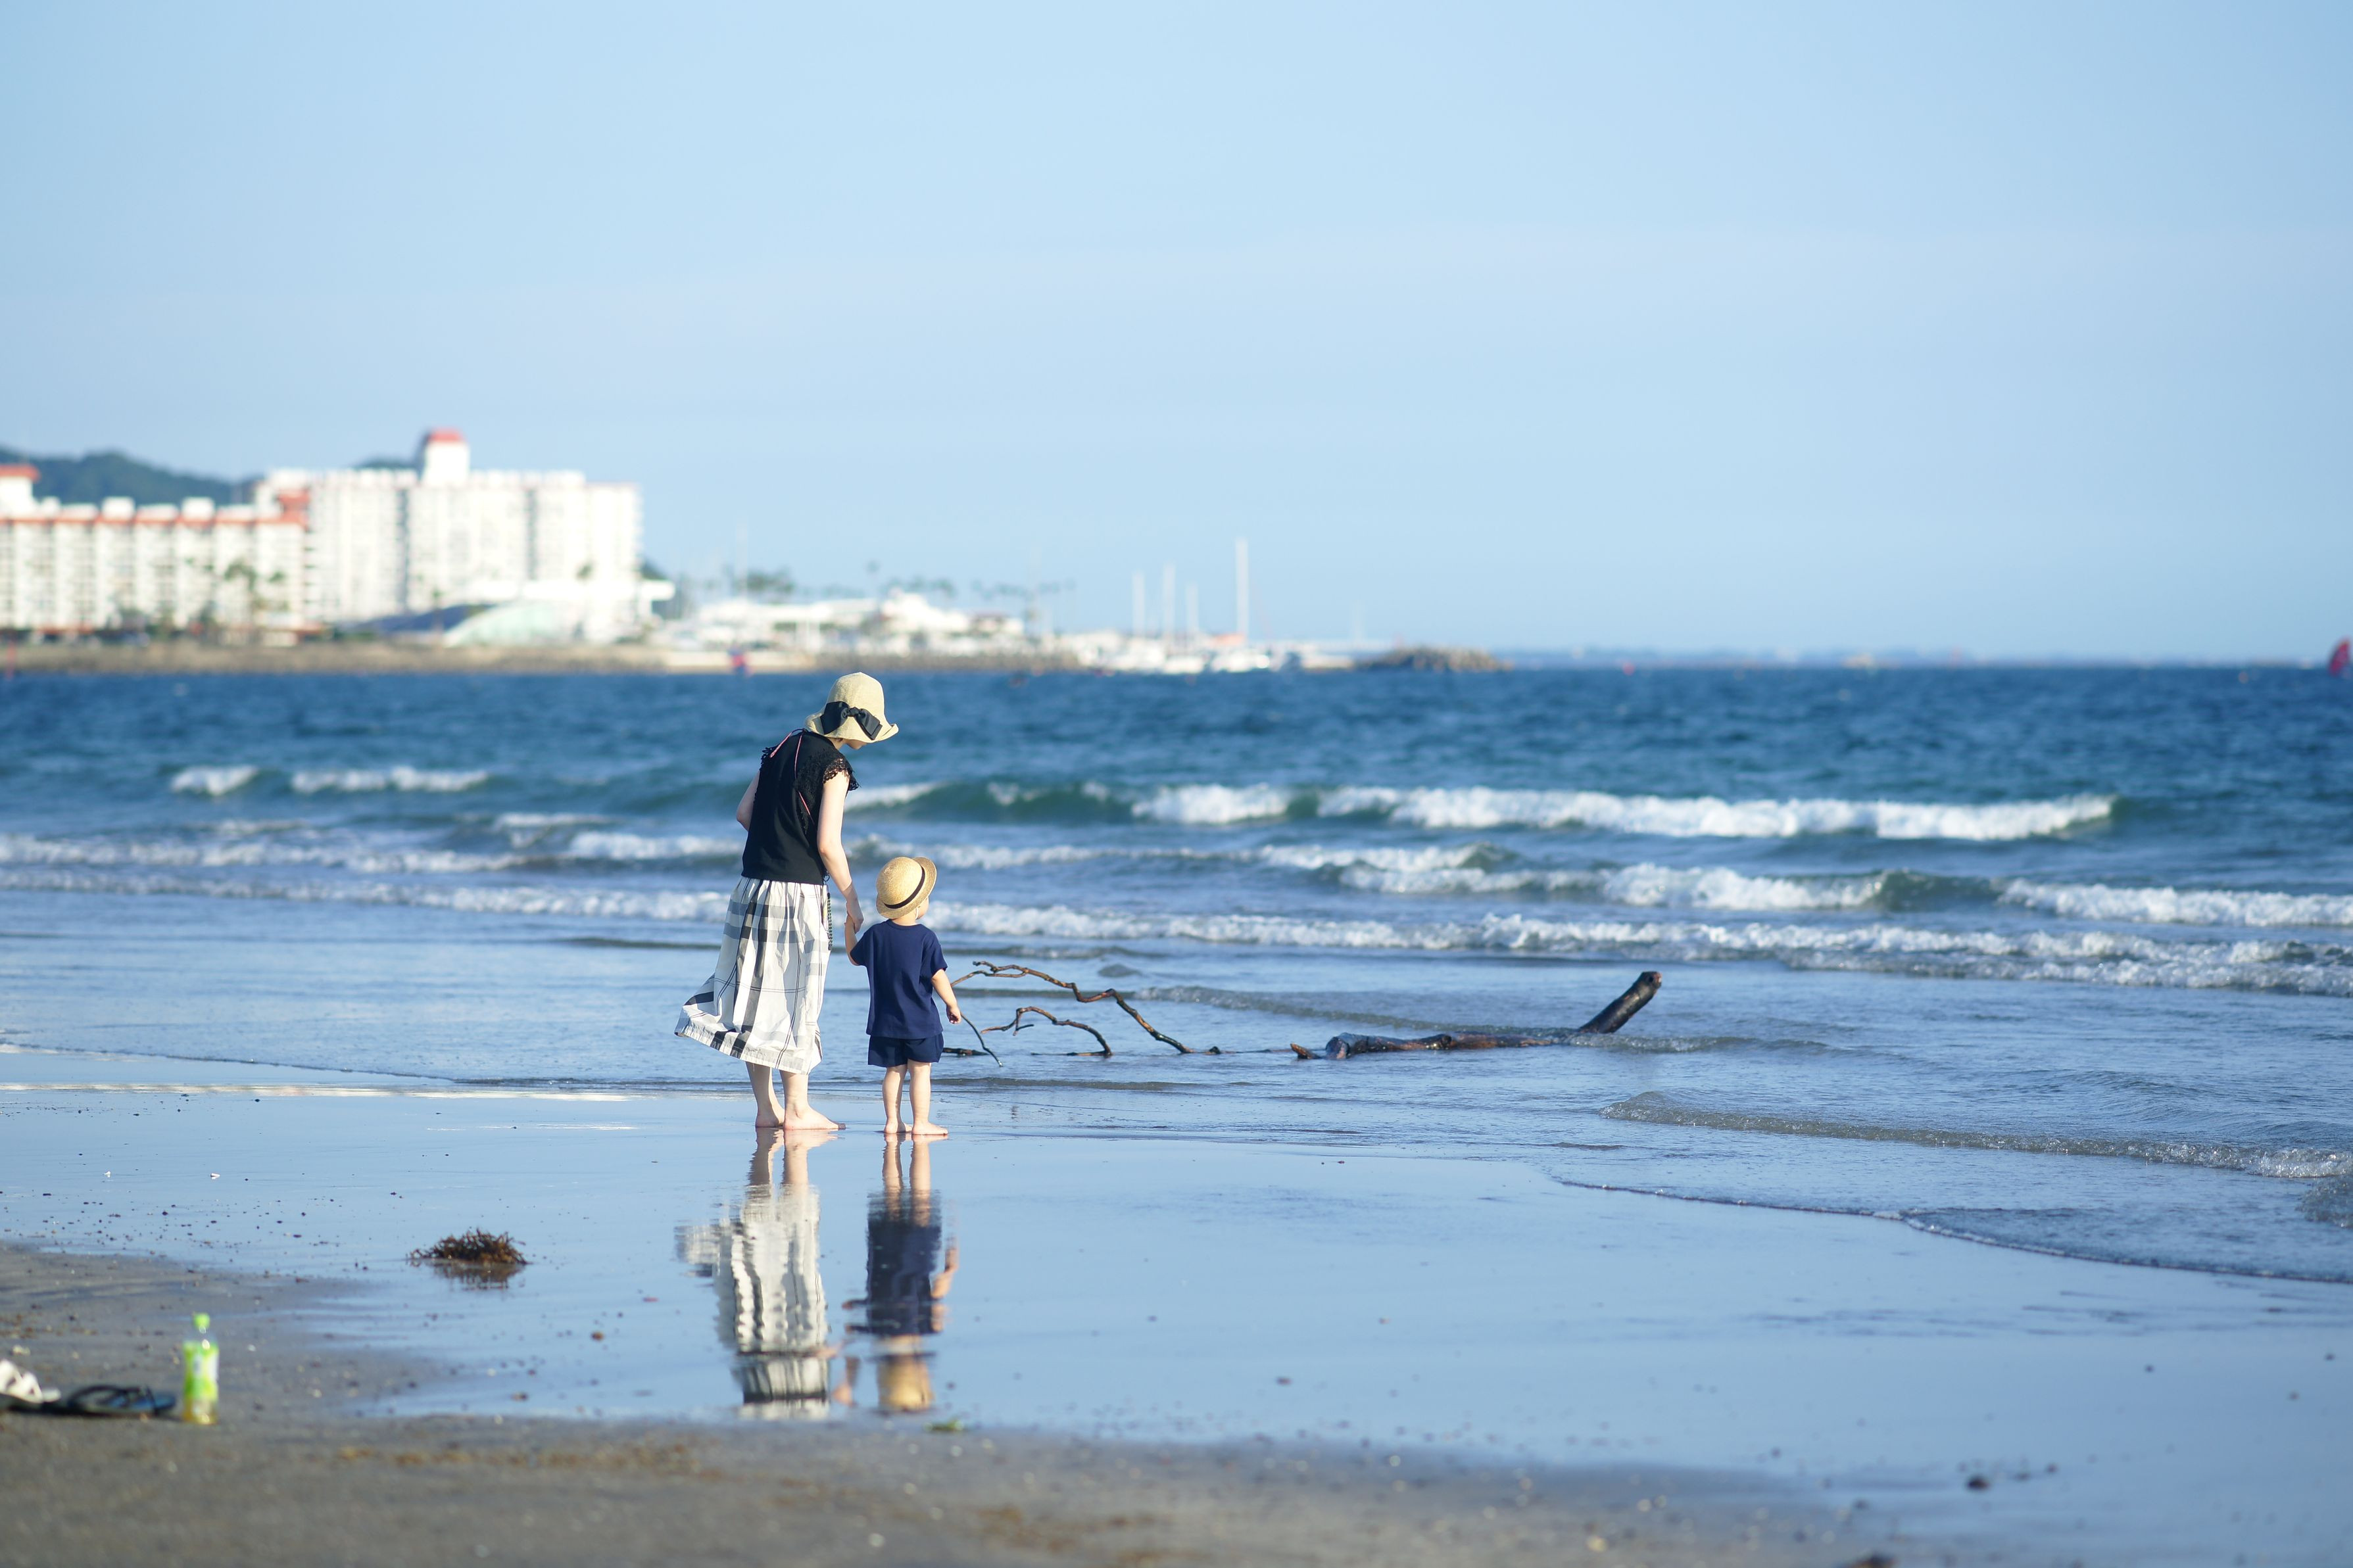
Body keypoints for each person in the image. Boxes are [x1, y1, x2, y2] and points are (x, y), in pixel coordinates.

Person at [677, 672, 897, 1129]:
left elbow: (744, 814)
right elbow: (829, 845)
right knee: (798, 1000)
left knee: (754, 1002)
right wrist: (853, 899)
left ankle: (766, 1109)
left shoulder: (781, 747)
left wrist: (778, 841)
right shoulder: (835, 767)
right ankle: (797, 1109)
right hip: (798, 897)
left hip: (752, 889)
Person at [847, 855, 960, 1137]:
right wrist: (952, 1003)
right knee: (921, 1072)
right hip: (920, 1022)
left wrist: (849, 928)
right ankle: (921, 1123)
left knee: (894, 1071)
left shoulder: (875, 935)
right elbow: (938, 976)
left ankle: (892, 1122)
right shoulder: (926, 938)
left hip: (885, 1023)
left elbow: (854, 957)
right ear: (919, 904)